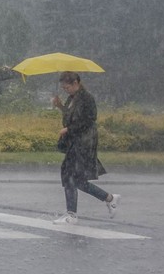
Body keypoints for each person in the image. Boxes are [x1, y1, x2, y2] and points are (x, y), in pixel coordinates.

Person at [51, 71, 120, 224]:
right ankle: (109, 198)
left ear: (76, 83)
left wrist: (69, 130)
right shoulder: (72, 98)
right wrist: (60, 106)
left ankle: (71, 215)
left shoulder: (87, 98)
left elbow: (88, 120)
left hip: (84, 142)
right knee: (77, 180)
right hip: (76, 142)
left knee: (69, 175)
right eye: (63, 88)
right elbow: (70, 117)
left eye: (67, 87)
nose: (65, 90)